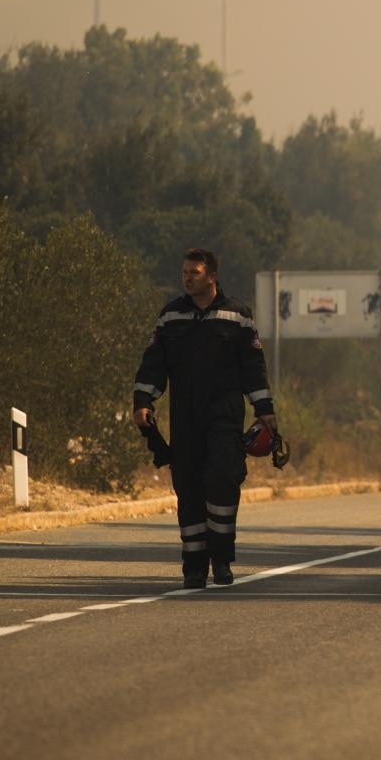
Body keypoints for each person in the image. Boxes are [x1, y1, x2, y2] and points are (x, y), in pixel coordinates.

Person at [132, 247, 277, 589]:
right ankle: (194, 566)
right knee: (189, 487)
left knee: (222, 480)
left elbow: (253, 368)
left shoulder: (237, 315)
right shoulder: (171, 317)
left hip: (224, 415)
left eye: (194, 273)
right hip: (186, 418)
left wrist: (265, 410)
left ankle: (222, 559)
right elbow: (154, 363)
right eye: (184, 272)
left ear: (212, 277)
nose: (187, 278)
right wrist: (143, 401)